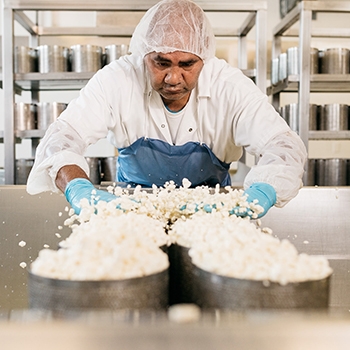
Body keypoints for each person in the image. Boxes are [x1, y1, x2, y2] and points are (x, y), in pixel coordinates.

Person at [27, 0, 307, 217]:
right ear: (144, 54)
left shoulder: (229, 86)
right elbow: (63, 137)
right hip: (130, 214)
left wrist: (264, 190)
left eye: (187, 64)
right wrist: (78, 189)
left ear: (204, 58)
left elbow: (282, 145)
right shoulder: (118, 79)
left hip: (213, 217)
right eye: (161, 63)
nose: (173, 78)